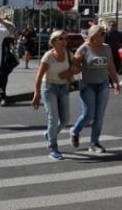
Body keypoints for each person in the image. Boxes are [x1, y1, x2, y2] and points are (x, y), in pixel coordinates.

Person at [68, 24, 121, 153]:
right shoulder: (84, 49)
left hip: (103, 85)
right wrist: (75, 71)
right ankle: (75, 131)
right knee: (88, 115)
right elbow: (73, 64)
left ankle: (94, 143)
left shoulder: (107, 48)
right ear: (93, 36)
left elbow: (111, 66)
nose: (104, 36)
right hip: (88, 85)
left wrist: (115, 81)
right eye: (102, 33)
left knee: (99, 116)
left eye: (104, 33)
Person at [31, 29, 79, 160]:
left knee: (65, 119)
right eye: (61, 39)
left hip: (64, 87)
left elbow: (78, 67)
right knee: (53, 118)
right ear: (53, 41)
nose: (64, 41)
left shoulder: (68, 54)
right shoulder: (48, 56)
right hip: (49, 88)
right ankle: (53, 148)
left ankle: (50, 134)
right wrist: (36, 94)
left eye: (66, 39)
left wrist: (72, 71)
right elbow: (39, 76)